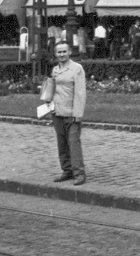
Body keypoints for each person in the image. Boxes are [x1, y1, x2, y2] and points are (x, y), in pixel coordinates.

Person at [40, 40, 87, 186]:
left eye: (64, 51)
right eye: (59, 52)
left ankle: (79, 173)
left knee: (73, 143)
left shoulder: (77, 68)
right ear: (55, 54)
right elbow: (52, 87)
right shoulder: (55, 70)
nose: (62, 54)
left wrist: (78, 114)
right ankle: (66, 171)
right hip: (57, 111)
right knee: (61, 143)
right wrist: (47, 99)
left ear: (69, 52)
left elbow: (80, 93)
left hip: (71, 112)